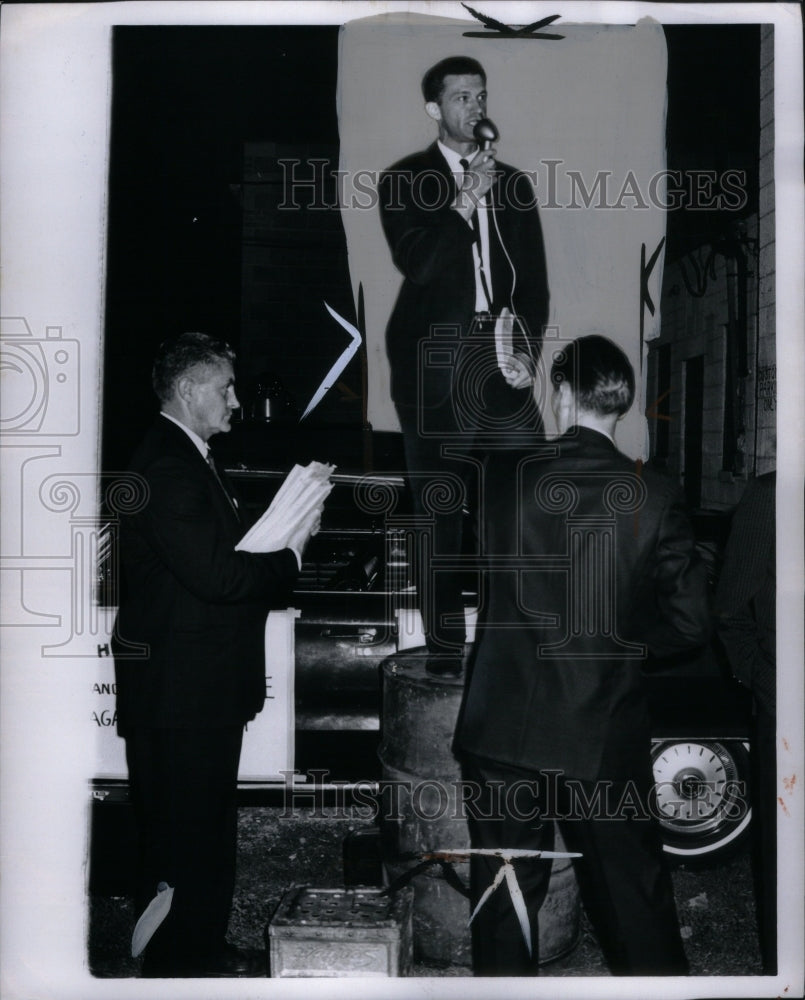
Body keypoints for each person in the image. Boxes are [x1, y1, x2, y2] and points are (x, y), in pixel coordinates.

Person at [455, 335, 710, 975]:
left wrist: (514, 397)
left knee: (506, 895)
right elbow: (690, 623)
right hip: (598, 731)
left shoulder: (503, 482)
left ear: (563, 394)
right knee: (633, 897)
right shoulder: (652, 495)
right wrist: (618, 651)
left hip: (502, 733)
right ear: (620, 404)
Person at [113, 332, 320, 977]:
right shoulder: (169, 468)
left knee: (199, 833)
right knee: (185, 837)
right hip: (181, 695)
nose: (237, 401)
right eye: (225, 388)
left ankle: (198, 949)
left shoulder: (186, 457)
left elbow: (209, 570)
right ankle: (179, 965)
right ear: (187, 390)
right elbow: (218, 579)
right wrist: (288, 558)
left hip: (191, 689)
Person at [378, 56, 550, 671]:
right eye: (460, 98)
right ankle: (447, 650)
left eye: (481, 96)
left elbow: (533, 285)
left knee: (521, 497)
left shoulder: (516, 184)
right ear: (435, 109)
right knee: (441, 511)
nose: (475, 107)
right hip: (433, 362)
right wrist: (463, 200)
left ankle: (512, 645)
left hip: (498, 358)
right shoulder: (405, 180)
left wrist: (525, 352)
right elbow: (421, 264)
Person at [715, 470, 776, 974]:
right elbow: (732, 609)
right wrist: (765, 679)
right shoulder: (771, 495)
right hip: (788, 712)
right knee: (786, 863)